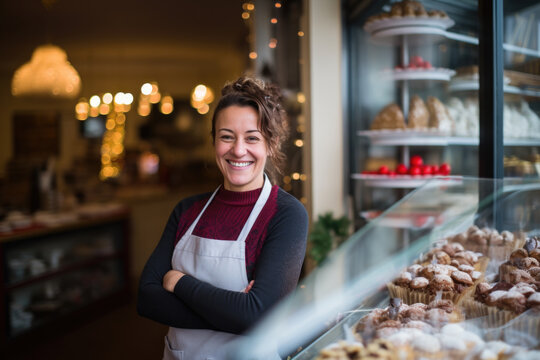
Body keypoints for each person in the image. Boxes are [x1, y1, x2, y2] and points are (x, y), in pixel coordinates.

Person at [137, 76, 309, 360]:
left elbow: (259, 317)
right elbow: (147, 299)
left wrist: (178, 282)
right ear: (214, 141)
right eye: (226, 136)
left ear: (271, 143)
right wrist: (238, 315)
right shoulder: (186, 210)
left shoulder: (285, 214)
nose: (238, 150)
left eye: (252, 137)